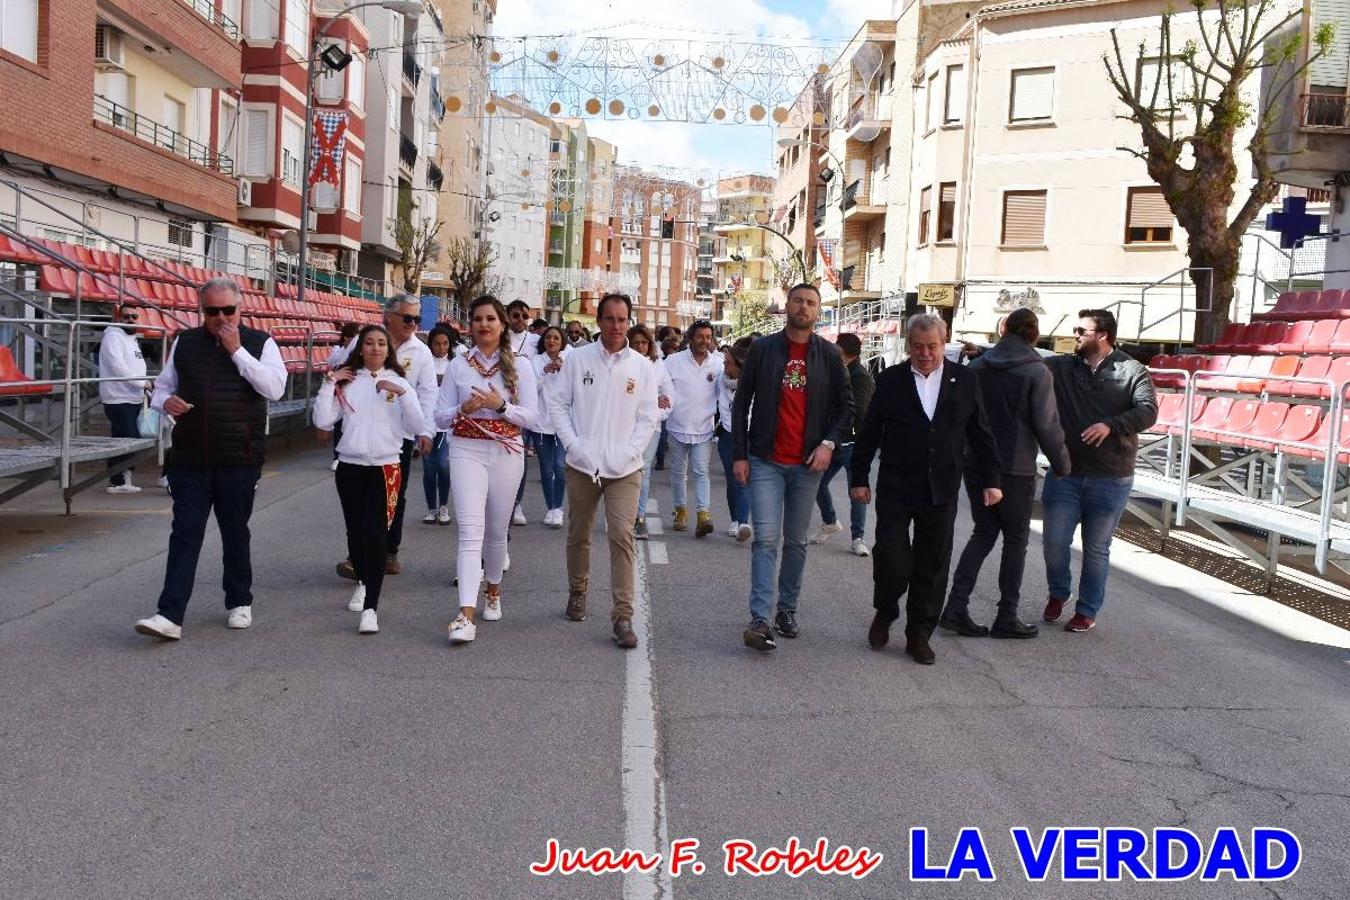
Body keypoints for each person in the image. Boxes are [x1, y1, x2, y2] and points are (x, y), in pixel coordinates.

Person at [133, 278, 287, 640]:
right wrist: (164, 402)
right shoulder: (185, 343)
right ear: (201, 310)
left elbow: (274, 389)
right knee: (185, 534)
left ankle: (239, 600)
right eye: (212, 311)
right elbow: (163, 387)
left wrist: (237, 351)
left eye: (227, 311)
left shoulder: (261, 343)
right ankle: (169, 615)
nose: (220, 318)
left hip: (239, 457)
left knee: (235, 532)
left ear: (240, 308)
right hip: (189, 458)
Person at [850, 315, 1002, 665]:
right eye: (917, 346)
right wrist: (859, 478)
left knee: (932, 565)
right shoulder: (890, 380)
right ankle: (886, 610)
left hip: (942, 488)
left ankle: (919, 633)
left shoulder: (964, 380)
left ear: (943, 341)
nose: (925, 353)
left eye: (932, 346)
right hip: (896, 486)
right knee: (891, 558)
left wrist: (992, 480)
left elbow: (980, 432)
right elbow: (869, 432)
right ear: (908, 345)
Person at [732, 284, 853, 651]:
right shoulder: (763, 350)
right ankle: (759, 618)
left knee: (797, 541)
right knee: (766, 538)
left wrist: (828, 443)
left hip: (807, 464)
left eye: (811, 302)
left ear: (818, 311)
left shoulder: (829, 354)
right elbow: (741, 404)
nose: (803, 307)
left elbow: (847, 407)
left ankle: (786, 609)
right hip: (766, 459)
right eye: (798, 300)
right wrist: (740, 453)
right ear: (787, 306)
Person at [940, 309, 1071, 639]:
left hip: (977, 462)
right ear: (1034, 335)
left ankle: (956, 607)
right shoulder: (1036, 371)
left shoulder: (980, 366)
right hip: (1015, 466)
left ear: (1003, 331)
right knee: (1015, 540)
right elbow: (1047, 425)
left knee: (983, 532)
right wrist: (1063, 464)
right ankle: (1006, 615)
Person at [549, 293, 660, 649]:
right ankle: (578, 592)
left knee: (621, 536)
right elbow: (558, 405)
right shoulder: (578, 359)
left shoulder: (642, 366)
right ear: (598, 321)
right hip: (582, 464)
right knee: (578, 533)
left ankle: (622, 616)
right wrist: (573, 445)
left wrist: (630, 451)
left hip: (625, 468)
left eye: (622, 319)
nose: (616, 326)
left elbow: (648, 417)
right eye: (609, 319)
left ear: (629, 322)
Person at [1042, 308, 1157, 633]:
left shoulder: (1132, 370)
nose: (1075, 334)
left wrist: (1111, 425)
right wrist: (980, 352)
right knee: (1053, 542)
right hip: (1065, 472)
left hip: (1110, 477)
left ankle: (1087, 610)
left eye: (1082, 330)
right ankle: (1058, 593)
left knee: (1095, 549)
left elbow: (1148, 412)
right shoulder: (1064, 366)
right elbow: (1025, 357)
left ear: (1102, 335)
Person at [433, 295, 539, 644]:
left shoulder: (521, 366)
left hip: (507, 451)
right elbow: (439, 415)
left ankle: (493, 589)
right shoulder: (458, 365)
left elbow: (532, 417)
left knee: (496, 531)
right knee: (469, 530)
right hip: (466, 449)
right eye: (477, 319)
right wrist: (462, 408)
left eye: (490, 319)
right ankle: (465, 613)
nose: (483, 325)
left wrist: (501, 406)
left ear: (502, 324)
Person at [313, 325, 428, 634]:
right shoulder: (348, 381)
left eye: (381, 343)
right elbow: (323, 420)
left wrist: (402, 394)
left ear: (388, 350)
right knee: (356, 534)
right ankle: (363, 581)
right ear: (360, 349)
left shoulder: (400, 382)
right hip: (350, 466)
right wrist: (329, 383)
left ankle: (371, 608)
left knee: (376, 535)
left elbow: (417, 425)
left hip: (386, 467)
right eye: (369, 343)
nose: (376, 348)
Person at [336, 295, 435, 579]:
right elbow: (344, 374)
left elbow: (428, 394)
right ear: (388, 316)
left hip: (398, 436)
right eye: (408, 318)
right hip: (362, 435)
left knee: (394, 497)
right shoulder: (363, 342)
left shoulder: (421, 352)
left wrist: (425, 431)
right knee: (360, 500)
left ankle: (388, 551)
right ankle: (359, 555)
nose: (413, 324)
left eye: (417, 319)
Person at [810, 332, 874, 556]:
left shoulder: (860, 376)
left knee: (856, 491)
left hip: (854, 444)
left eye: (836, 350)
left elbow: (857, 410)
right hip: (834, 441)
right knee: (817, 481)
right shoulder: (837, 372)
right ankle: (830, 522)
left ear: (844, 352)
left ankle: (858, 538)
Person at [664, 319, 722, 537]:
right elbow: (660, 385)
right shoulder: (672, 361)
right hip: (677, 426)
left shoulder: (718, 364)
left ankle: (703, 515)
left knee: (701, 472)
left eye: (708, 337)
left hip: (704, 428)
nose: (704, 341)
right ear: (690, 338)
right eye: (700, 336)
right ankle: (680, 511)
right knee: (679, 473)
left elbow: (726, 388)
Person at [628, 324, 675, 540]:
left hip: (651, 427)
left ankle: (640, 518)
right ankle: (621, 515)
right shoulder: (622, 363)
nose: (640, 346)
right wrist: (651, 401)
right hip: (624, 426)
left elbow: (668, 395)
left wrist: (658, 411)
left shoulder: (658, 365)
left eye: (644, 343)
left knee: (644, 471)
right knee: (624, 471)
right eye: (636, 342)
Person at [99, 305, 151, 494]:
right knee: (130, 439)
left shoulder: (131, 338)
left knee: (120, 439)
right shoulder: (113, 336)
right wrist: (141, 383)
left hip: (132, 396)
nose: (131, 319)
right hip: (118, 397)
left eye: (134, 316)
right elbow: (117, 366)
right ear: (118, 318)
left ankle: (120, 479)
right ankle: (118, 479)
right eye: (126, 316)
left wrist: (140, 385)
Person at [531, 325, 571, 527]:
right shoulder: (536, 361)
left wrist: (564, 368)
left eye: (556, 338)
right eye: (548, 338)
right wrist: (545, 372)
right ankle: (551, 508)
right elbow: (530, 389)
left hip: (562, 424)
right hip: (540, 423)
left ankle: (559, 508)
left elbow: (576, 387)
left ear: (562, 341)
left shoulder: (570, 360)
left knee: (560, 467)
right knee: (546, 470)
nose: (552, 341)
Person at [716, 338, 753, 541]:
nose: (724, 365)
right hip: (727, 436)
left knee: (743, 480)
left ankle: (742, 522)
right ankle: (735, 519)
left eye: (728, 362)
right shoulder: (720, 381)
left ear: (740, 365)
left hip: (749, 434)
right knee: (732, 480)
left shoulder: (754, 383)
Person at [420, 325, 456, 526]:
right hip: (427, 422)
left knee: (443, 465)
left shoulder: (455, 364)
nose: (441, 347)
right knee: (429, 468)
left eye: (445, 343)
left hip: (446, 424)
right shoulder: (426, 363)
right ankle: (431, 508)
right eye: (437, 343)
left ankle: (443, 505)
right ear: (430, 344)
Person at [323, 322, 363, 472]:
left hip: (354, 389)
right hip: (340, 390)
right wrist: (347, 349)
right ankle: (336, 457)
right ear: (347, 338)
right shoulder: (338, 350)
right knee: (339, 423)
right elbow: (332, 363)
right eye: (354, 337)